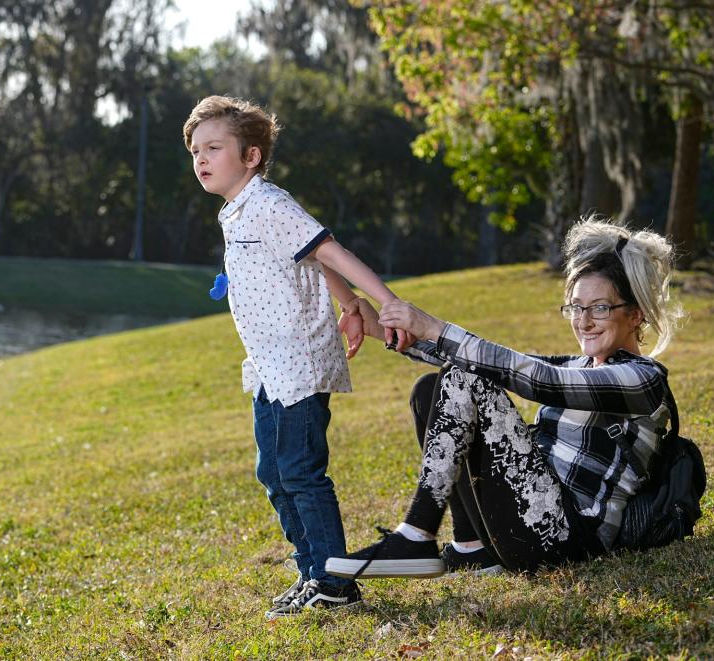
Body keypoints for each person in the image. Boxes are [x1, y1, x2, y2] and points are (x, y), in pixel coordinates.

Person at [325, 218, 683, 580]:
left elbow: (542, 381)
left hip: (570, 537)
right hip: (532, 519)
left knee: (467, 379)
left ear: (635, 314)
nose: (584, 321)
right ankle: (472, 549)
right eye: (576, 307)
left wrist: (435, 327)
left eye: (600, 308)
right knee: (429, 390)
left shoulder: (643, 379)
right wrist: (381, 330)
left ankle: (415, 537)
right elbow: (497, 364)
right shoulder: (580, 366)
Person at [182, 95, 411, 618]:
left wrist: (383, 302)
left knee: (301, 473)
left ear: (252, 156)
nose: (201, 158)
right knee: (275, 473)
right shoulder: (236, 210)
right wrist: (347, 303)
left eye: (214, 147)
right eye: (196, 150)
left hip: (299, 366)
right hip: (269, 368)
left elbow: (329, 249)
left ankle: (335, 582)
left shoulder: (267, 202)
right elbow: (304, 254)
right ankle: (312, 572)